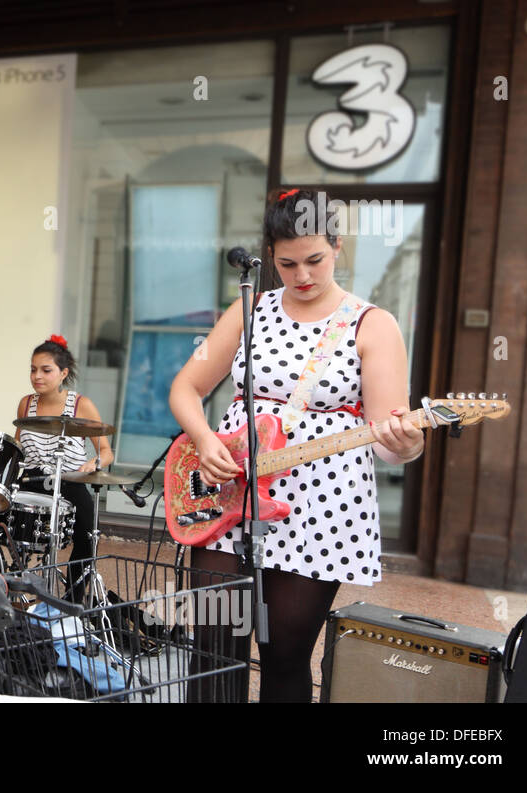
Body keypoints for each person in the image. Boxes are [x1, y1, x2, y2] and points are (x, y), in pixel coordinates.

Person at [167, 188, 424, 702]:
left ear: (338, 246)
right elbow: (186, 387)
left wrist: (408, 442)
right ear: (269, 257)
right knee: (213, 646)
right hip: (227, 493)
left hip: (321, 505)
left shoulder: (372, 324)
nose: (302, 276)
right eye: (287, 264)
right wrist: (203, 439)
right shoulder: (251, 307)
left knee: (284, 654)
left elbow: (389, 443)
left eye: (315, 260)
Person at [14, 335, 114, 600]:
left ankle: (73, 599)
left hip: (70, 479)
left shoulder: (82, 405)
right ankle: (11, 586)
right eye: (33, 369)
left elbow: (106, 451)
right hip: (33, 481)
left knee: (87, 534)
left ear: (63, 373)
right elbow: (18, 446)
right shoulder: (26, 404)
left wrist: (92, 463)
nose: (37, 376)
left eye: (46, 370)